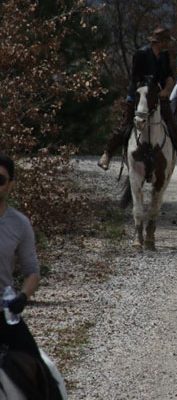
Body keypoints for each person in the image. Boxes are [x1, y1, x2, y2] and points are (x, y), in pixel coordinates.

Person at [0, 154, 62, 399]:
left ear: (10, 184)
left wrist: (23, 296)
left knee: (40, 372)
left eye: (0, 179)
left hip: (2, 313)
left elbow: (32, 272)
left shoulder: (19, 224)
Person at [98, 27, 177, 173]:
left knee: (172, 124)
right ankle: (107, 153)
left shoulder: (164, 55)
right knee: (126, 124)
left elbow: (168, 75)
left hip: (158, 94)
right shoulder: (141, 54)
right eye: (166, 41)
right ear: (160, 42)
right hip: (140, 93)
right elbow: (135, 78)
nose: (168, 44)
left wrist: (167, 89)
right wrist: (146, 90)